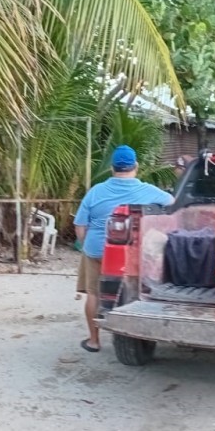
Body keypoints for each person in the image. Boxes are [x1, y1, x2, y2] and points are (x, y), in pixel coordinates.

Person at [74, 145, 174, 353]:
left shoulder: (96, 191)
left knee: (93, 293)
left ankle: (94, 340)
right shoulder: (148, 191)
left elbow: (80, 224)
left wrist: (86, 247)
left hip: (97, 250)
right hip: (131, 253)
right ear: (136, 166)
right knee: (134, 292)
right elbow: (173, 203)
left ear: (112, 168)